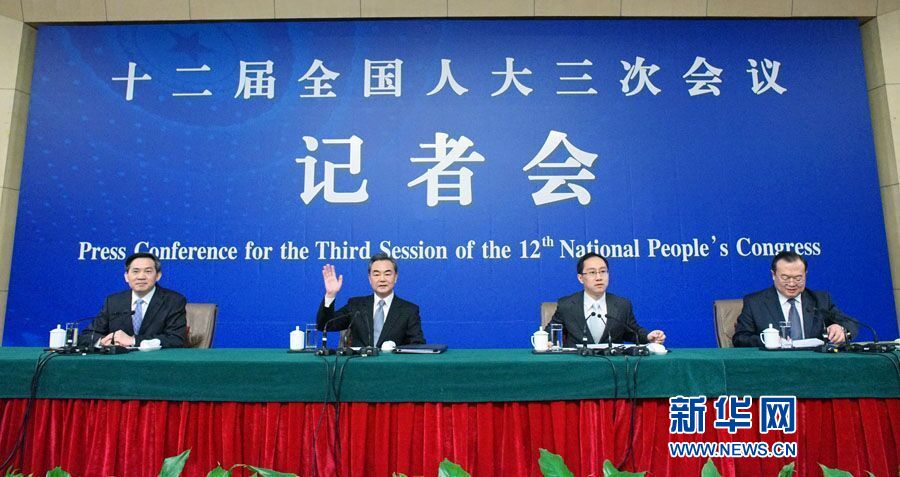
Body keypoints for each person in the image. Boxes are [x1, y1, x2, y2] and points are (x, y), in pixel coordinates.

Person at [732, 251, 858, 347]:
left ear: (805, 275)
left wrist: (841, 329)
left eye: (798, 278)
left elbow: (851, 323)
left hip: (815, 365)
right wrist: (767, 340)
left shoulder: (820, 300)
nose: (792, 284)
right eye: (785, 278)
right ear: (773, 275)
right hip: (774, 365)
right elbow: (740, 338)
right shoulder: (755, 302)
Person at [546, 252, 665, 348]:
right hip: (577, 363)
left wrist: (649, 336)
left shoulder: (622, 304)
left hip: (612, 364)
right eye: (592, 272)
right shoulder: (567, 305)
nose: (599, 277)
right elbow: (551, 332)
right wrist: (547, 341)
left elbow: (633, 332)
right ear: (581, 278)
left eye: (603, 271)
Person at [80, 252, 187, 348]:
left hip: (156, 360)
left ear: (158, 276)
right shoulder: (113, 301)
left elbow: (176, 339)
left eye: (148, 271)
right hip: (118, 360)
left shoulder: (174, 301)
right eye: (135, 271)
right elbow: (87, 335)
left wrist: (133, 340)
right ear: (126, 277)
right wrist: (102, 341)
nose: (141, 277)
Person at [317, 252, 425, 347]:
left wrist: (396, 350)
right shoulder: (356, 305)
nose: (382, 279)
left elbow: (418, 345)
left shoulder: (409, 310)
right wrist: (330, 294)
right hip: (359, 363)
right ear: (369, 278)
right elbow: (324, 325)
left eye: (387, 274)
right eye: (376, 274)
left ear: (395, 277)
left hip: (393, 363)